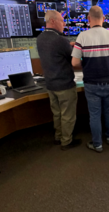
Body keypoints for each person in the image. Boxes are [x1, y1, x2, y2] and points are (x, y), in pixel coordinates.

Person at [71, 6, 109, 153]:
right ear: (104, 19)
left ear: (88, 19)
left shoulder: (82, 36)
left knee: (94, 114)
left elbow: (74, 63)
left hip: (91, 83)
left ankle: (97, 144)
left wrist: (87, 65)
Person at [36, 10, 81, 151]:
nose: (64, 23)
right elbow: (73, 59)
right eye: (62, 21)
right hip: (64, 85)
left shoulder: (41, 38)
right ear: (53, 21)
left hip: (50, 84)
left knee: (57, 113)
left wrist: (69, 44)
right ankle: (66, 141)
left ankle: (58, 136)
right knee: (67, 115)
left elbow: (56, 52)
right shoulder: (60, 40)